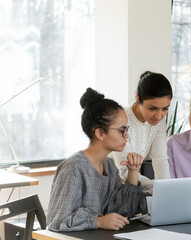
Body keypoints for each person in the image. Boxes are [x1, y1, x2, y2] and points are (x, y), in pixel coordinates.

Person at [47, 88, 147, 232]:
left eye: (127, 129)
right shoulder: (73, 168)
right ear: (100, 133)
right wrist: (98, 221)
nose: (127, 136)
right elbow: (57, 221)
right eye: (121, 130)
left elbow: (122, 212)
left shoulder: (109, 165)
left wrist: (133, 171)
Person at [109, 71, 172, 193]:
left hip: (130, 188)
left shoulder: (159, 124)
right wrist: (159, 188)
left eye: (165, 108)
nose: (159, 116)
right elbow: (124, 171)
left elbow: (160, 161)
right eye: (152, 108)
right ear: (138, 98)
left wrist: (167, 192)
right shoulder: (120, 119)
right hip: (108, 186)